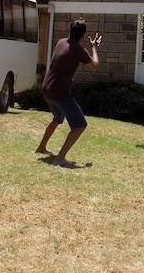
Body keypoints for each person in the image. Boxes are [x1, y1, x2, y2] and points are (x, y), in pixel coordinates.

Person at [35, 20, 101, 167]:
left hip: (47, 88)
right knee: (79, 125)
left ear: (70, 30)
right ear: (83, 35)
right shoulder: (78, 50)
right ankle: (60, 158)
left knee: (58, 117)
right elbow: (95, 66)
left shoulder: (61, 42)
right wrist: (94, 48)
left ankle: (41, 148)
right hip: (60, 92)